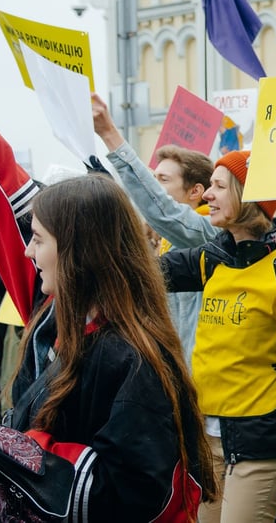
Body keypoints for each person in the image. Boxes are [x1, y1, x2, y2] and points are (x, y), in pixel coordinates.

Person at [7, 174, 216, 521]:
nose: (28, 250)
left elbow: (131, 489)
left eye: (39, 239)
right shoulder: (68, 328)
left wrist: (27, 452)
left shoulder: (130, 356)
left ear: (80, 251)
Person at [159, 150, 276, 523]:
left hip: (261, 441)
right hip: (207, 437)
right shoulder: (212, 258)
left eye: (220, 186)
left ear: (250, 197)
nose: (208, 194)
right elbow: (141, 273)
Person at [93, 92, 220, 364]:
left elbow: (163, 211)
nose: (154, 189)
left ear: (196, 191)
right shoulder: (166, 240)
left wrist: (110, 136)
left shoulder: (210, 232)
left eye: (162, 180)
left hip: (197, 379)